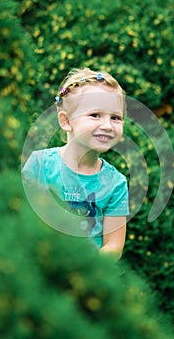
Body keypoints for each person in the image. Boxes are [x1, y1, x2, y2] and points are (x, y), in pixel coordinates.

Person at [22, 67, 129, 259]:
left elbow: (113, 246)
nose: (107, 125)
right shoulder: (39, 165)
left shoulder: (116, 183)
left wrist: (80, 270)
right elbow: (17, 222)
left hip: (86, 281)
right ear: (66, 121)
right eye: (95, 115)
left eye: (115, 117)